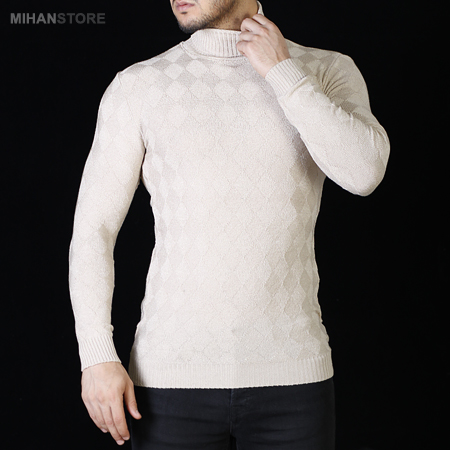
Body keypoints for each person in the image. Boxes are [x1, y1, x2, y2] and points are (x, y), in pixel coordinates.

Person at [69, 1, 390, 449]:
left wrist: (283, 73)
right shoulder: (140, 85)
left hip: (294, 377)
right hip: (169, 379)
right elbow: (93, 229)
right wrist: (96, 356)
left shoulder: (324, 69)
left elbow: (364, 173)